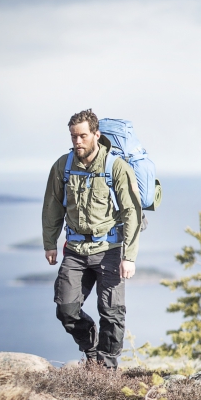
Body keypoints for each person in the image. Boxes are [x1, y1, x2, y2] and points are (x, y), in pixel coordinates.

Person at [42, 109, 143, 369]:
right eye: (74, 136)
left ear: (96, 135)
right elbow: (52, 205)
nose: (77, 142)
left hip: (110, 249)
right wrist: (50, 243)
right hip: (75, 250)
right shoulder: (63, 166)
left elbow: (132, 211)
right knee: (65, 307)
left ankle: (106, 367)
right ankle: (91, 349)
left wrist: (129, 257)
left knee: (111, 312)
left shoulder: (116, 167)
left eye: (83, 136)